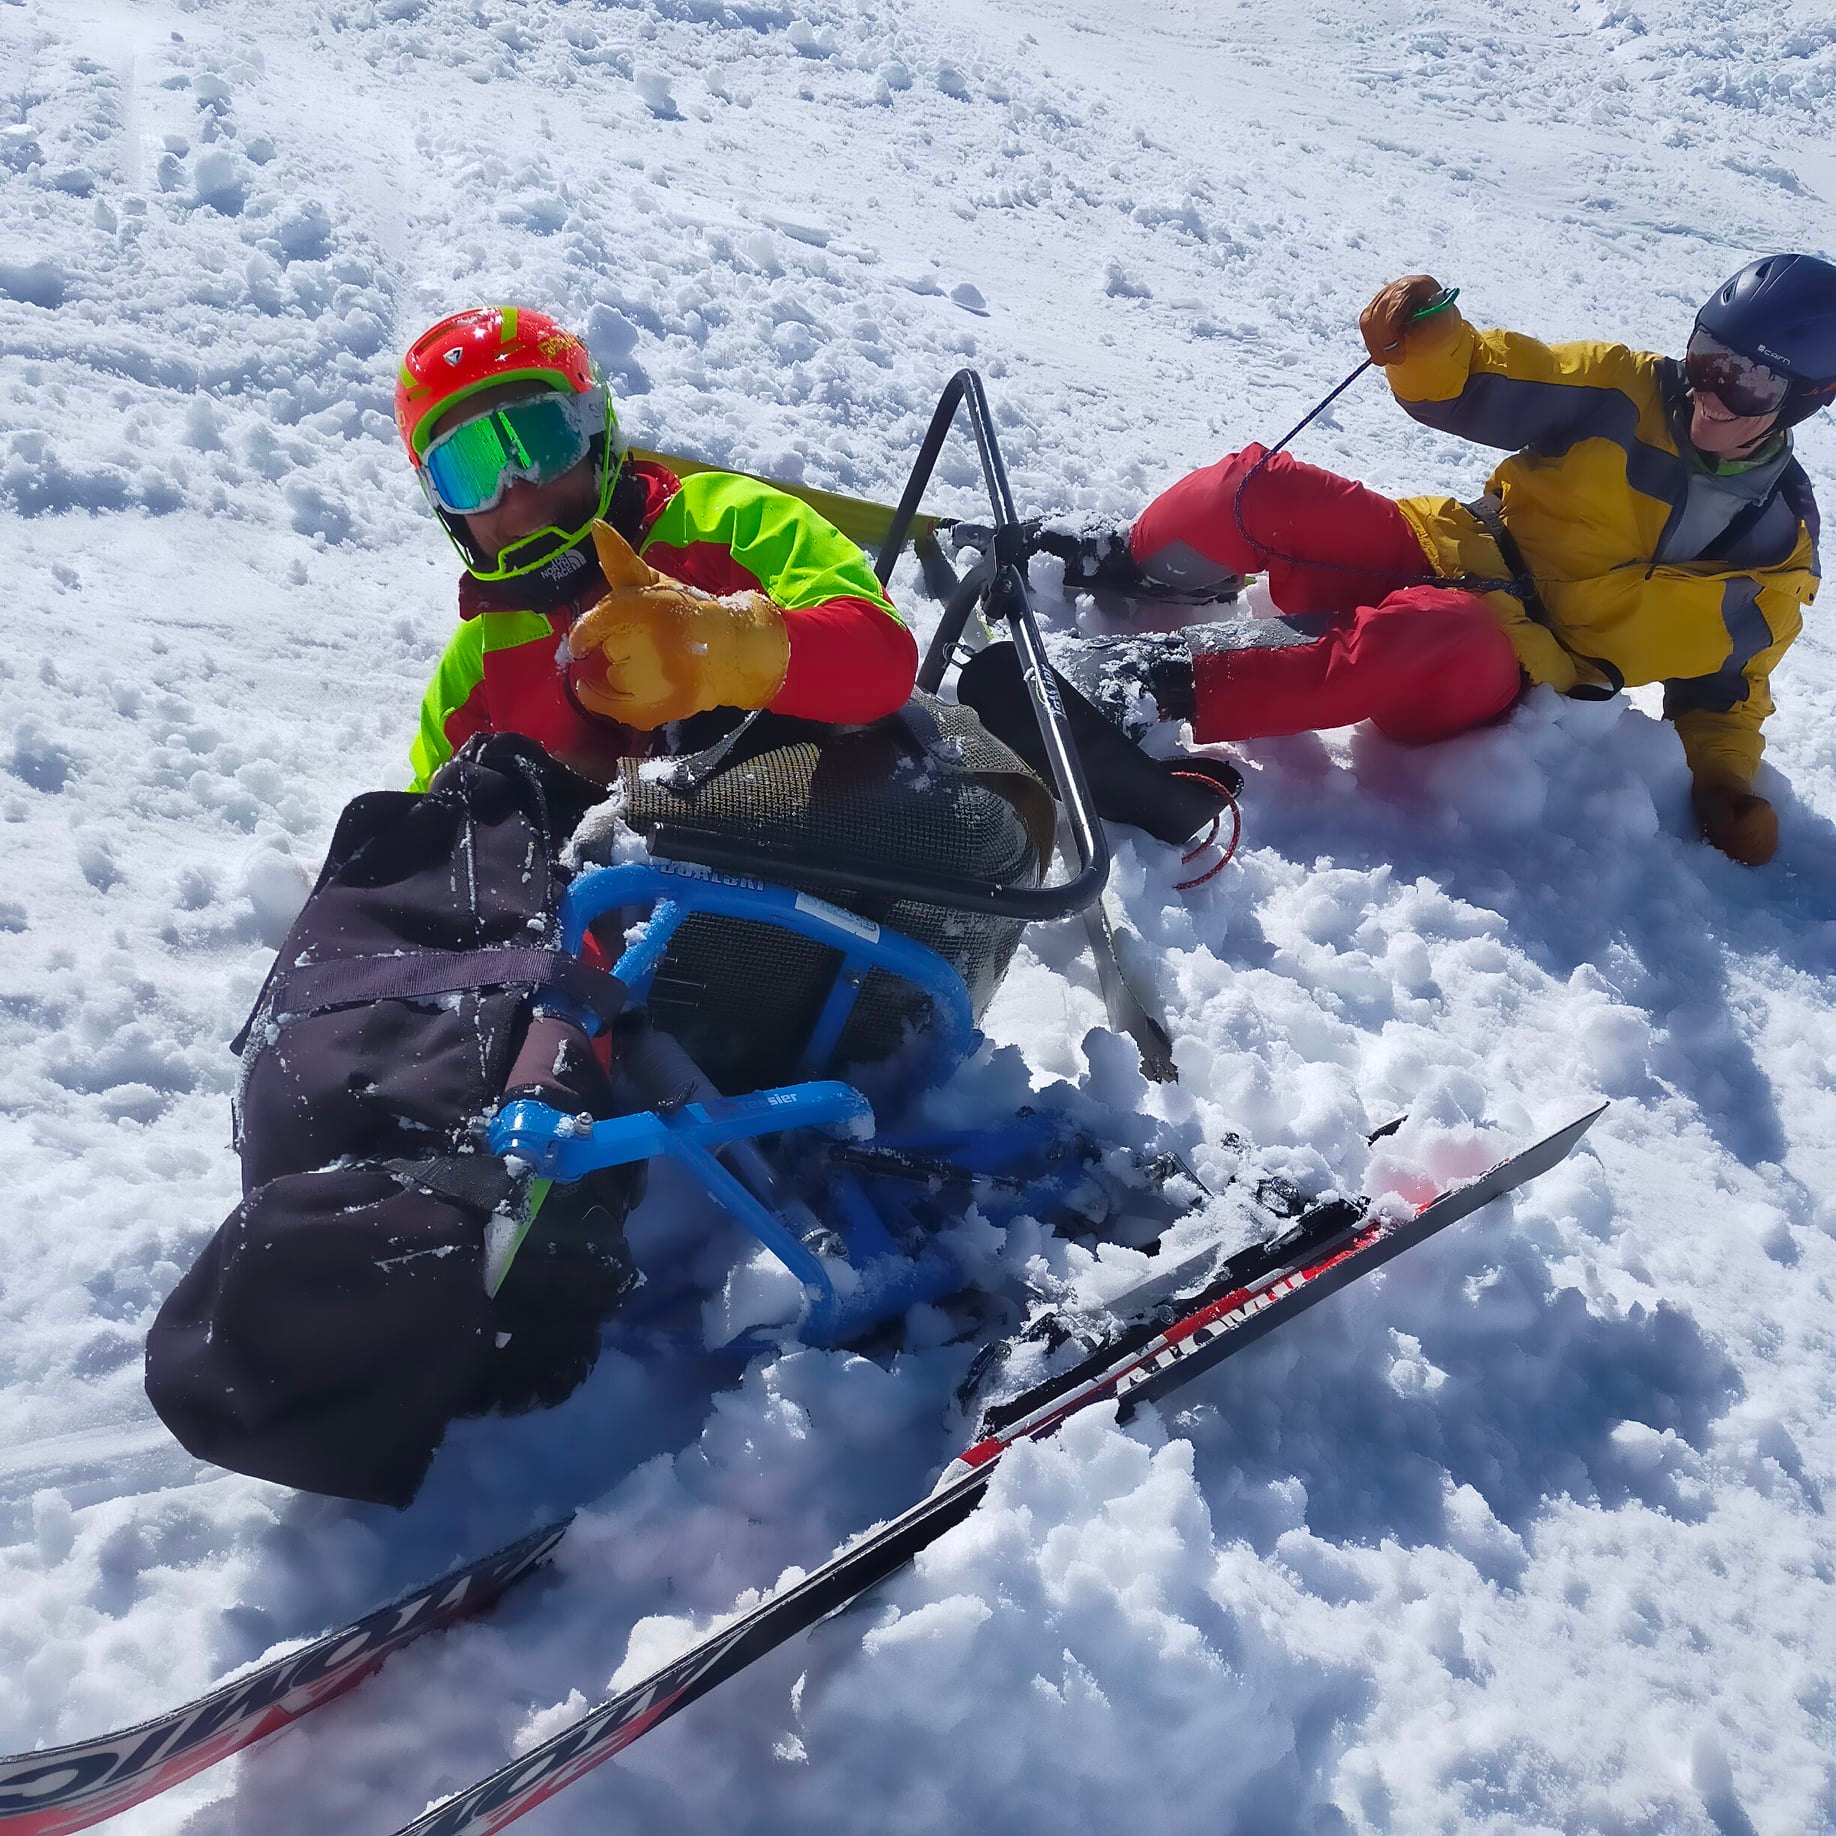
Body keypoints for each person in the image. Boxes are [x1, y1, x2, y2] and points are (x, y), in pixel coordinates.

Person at [1035, 253, 1835, 867]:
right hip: (1449, 544)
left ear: (1808, 395)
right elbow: (1484, 379)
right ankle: (1130, 558)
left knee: (1433, 632)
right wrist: (1429, 341)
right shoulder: (1625, 392)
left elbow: (1728, 692)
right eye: (1705, 357)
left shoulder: (1771, 555)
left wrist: (1727, 787)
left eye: (1750, 380)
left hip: (1504, 664)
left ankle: (1146, 687)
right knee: (1255, 490)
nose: (1711, 392)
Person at [395, 305, 918, 789]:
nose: (518, 494)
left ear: (593, 431)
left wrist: (728, 652)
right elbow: (417, 837)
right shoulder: (481, 659)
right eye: (470, 472)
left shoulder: (725, 522)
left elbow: (884, 657)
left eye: (541, 443)